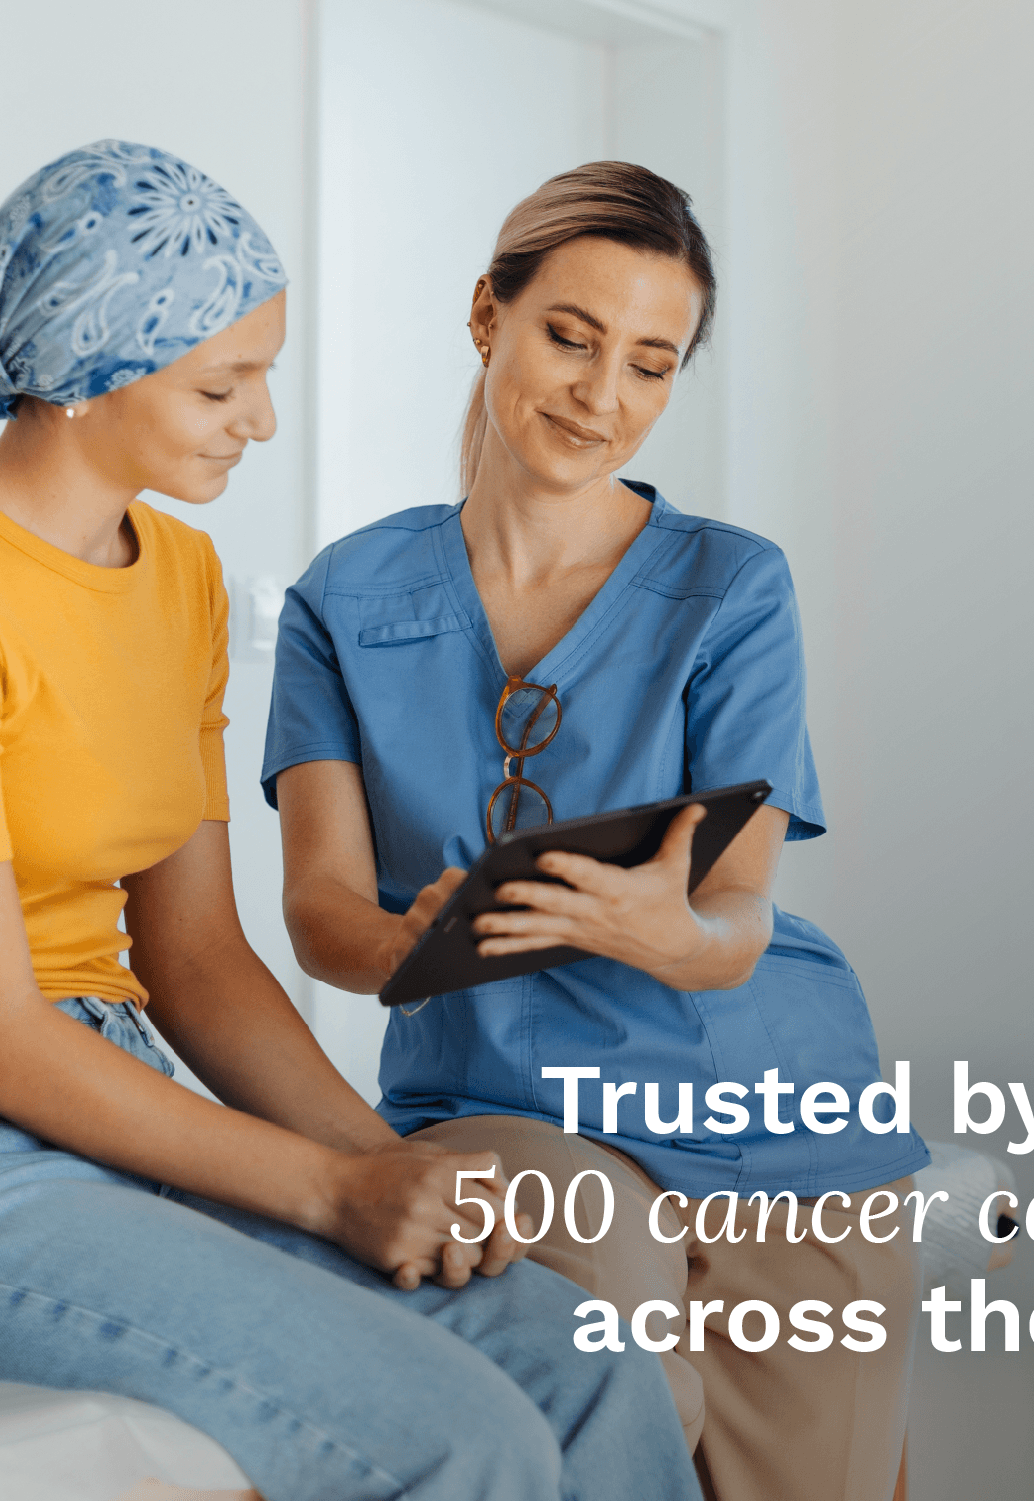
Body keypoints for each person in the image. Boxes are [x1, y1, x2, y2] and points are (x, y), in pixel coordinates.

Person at [0, 141, 701, 1501]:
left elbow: (198, 960)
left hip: (115, 1089)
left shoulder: (183, 582)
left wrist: (387, 1169)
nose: (259, 421)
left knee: (588, 1362)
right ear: (86, 375)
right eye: (223, 384)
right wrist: (326, 1194)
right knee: (465, 1435)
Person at [267, 162, 930, 1501]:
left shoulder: (731, 586)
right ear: (486, 316)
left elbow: (739, 918)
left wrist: (664, 931)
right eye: (569, 337)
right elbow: (318, 911)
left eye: (650, 363)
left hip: (780, 1111)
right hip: (505, 1100)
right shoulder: (345, 596)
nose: (600, 395)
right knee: (609, 1398)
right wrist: (414, 940)